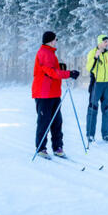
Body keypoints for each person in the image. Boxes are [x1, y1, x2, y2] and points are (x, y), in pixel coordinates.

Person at [32, 31, 79, 159]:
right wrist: (68, 73)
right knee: (44, 122)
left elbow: (54, 70)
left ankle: (58, 147)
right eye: (55, 39)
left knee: (57, 121)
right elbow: (51, 72)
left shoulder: (51, 53)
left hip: (53, 93)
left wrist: (62, 69)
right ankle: (41, 148)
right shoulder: (44, 53)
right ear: (50, 40)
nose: (56, 41)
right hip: (43, 94)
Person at [85, 34, 108, 143]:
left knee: (106, 110)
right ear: (99, 42)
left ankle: (106, 134)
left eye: (107, 42)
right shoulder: (92, 52)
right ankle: (90, 135)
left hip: (107, 84)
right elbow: (89, 68)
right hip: (96, 84)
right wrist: (96, 57)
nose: (107, 43)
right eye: (105, 41)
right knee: (93, 108)